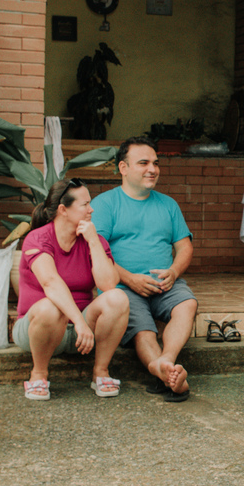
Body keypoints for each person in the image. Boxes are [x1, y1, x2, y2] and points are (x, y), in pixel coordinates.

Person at [92, 137, 197, 401]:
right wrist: (128, 279)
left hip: (165, 283)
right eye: (144, 163)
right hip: (122, 286)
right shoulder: (105, 204)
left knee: (187, 304)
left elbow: (185, 249)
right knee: (143, 330)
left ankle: (167, 362)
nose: (153, 169)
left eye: (155, 163)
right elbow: (94, 252)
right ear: (123, 168)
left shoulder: (168, 204)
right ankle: (164, 373)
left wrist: (173, 272)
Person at [14, 179, 129, 400]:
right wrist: (79, 322)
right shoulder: (37, 238)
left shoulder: (93, 239)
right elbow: (51, 283)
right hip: (36, 330)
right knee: (51, 306)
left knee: (118, 298)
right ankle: (38, 374)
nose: (91, 209)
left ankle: (101, 373)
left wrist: (94, 241)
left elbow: (108, 285)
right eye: (85, 204)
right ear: (63, 210)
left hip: (80, 333)